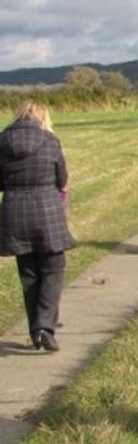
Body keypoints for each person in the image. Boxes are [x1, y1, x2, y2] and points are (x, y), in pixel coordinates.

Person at [0, 102, 75, 352]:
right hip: (47, 212)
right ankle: (45, 326)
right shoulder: (50, 141)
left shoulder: (2, 141)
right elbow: (61, 178)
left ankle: (36, 330)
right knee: (53, 270)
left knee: (29, 274)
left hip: (15, 213)